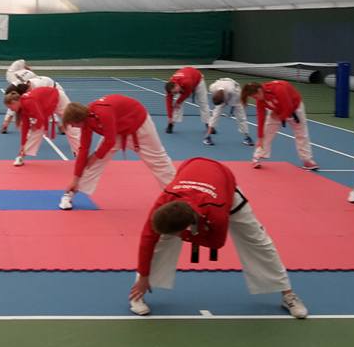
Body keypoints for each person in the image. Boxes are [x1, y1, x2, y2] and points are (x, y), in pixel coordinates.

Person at [128, 157, 308, 319]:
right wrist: (144, 276)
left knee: (258, 241)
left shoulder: (217, 213)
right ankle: (138, 293)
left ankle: (288, 295)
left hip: (225, 187)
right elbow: (147, 239)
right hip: (193, 171)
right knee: (161, 241)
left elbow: (217, 242)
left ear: (186, 226)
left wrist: (185, 236)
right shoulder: (164, 203)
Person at [59, 95, 176, 211]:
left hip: (139, 125)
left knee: (159, 162)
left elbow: (110, 141)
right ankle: (71, 192)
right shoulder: (86, 121)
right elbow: (83, 149)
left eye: (72, 124)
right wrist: (75, 179)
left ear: (79, 119)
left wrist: (94, 157)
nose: (72, 126)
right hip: (116, 130)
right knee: (92, 163)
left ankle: (178, 194)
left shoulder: (103, 113)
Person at [241, 81, 318, 171]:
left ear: (259, 90)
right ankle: (257, 157)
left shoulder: (279, 89)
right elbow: (260, 118)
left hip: (295, 108)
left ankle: (307, 160)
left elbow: (288, 107)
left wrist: (280, 117)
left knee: (301, 134)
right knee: (267, 132)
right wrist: (260, 137)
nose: (255, 99)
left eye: (255, 96)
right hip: (276, 109)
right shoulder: (260, 100)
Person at [3, 87, 80, 167]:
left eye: (10, 107)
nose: (11, 110)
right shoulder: (22, 109)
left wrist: (35, 125)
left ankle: (80, 155)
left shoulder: (29, 102)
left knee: (71, 124)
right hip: (45, 105)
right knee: (36, 130)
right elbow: (25, 128)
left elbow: (40, 119)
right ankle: (21, 155)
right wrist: (22, 144)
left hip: (58, 98)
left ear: (15, 102)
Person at [203, 78, 254, 146]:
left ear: (224, 99)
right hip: (223, 85)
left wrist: (231, 110)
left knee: (241, 117)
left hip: (235, 90)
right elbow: (218, 106)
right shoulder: (212, 88)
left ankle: (247, 137)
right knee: (215, 115)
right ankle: (207, 137)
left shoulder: (234, 92)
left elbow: (235, 104)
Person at [164, 67, 211, 134]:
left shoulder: (187, 82)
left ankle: (209, 125)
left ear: (176, 85)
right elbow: (168, 103)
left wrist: (178, 102)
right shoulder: (170, 88)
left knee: (203, 103)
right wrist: (170, 117)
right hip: (186, 79)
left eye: (175, 92)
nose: (175, 94)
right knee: (176, 105)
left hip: (198, 80)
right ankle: (171, 124)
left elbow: (187, 94)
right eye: (173, 93)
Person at [1, 60, 38, 133]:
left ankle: (5, 124)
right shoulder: (29, 76)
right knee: (15, 103)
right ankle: (6, 124)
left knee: (15, 103)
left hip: (23, 83)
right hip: (22, 83)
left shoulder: (17, 74)